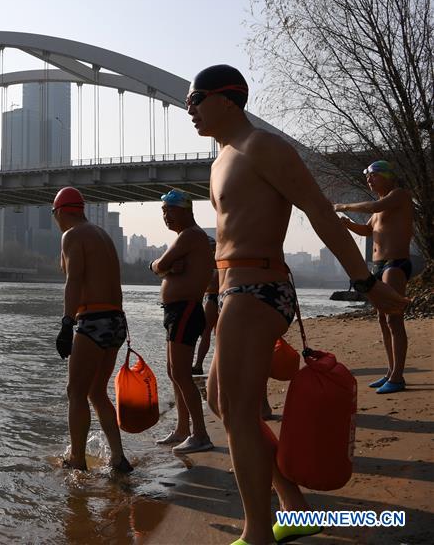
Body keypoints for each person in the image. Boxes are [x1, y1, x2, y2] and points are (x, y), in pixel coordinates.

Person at [187, 64, 409, 545]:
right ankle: (294, 508)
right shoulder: (220, 160)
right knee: (221, 402)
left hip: (258, 289)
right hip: (231, 290)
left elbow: (319, 211)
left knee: (239, 411)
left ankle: (257, 533)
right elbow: (224, 240)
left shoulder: (262, 146)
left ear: (227, 98)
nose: (189, 110)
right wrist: (211, 296)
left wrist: (365, 281)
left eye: (195, 99)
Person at [52, 186, 133, 473]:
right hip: (116, 322)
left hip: (93, 319)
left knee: (75, 392)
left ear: (60, 212)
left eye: (54, 214)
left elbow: (74, 280)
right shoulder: (102, 235)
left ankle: (77, 460)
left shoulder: (72, 235)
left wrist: (67, 323)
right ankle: (118, 457)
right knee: (97, 392)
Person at [335, 160, 414, 394]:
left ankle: (398, 377)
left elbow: (372, 207)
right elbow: (368, 230)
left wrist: (343, 206)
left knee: (393, 319)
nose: (369, 179)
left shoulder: (398, 195)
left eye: (374, 175)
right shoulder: (381, 206)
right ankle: (390, 372)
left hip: (395, 264)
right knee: (382, 318)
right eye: (367, 176)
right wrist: (347, 224)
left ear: (389, 176)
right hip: (378, 265)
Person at [150, 189, 215, 454]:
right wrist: (164, 267)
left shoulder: (190, 235)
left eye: (170, 210)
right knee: (173, 371)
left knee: (181, 373)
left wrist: (160, 266)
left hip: (186, 310)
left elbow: (160, 265)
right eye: (163, 211)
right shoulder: (186, 237)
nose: (166, 216)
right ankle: (181, 429)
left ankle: (200, 434)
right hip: (177, 311)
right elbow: (164, 266)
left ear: (187, 210)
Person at [193, 237, 219, 376]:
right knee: (214, 334)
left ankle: (199, 364)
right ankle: (212, 364)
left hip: (213, 297)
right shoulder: (215, 262)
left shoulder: (211, 263)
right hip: (214, 297)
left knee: (206, 333)